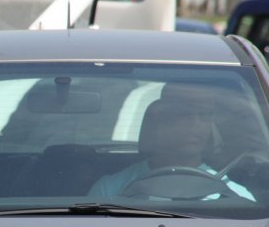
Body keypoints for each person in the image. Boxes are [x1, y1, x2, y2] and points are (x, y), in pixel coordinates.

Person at [89, 83, 254, 200]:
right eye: (184, 115)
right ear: (159, 122)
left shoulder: (232, 196)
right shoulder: (110, 191)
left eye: (204, 116)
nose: (196, 124)